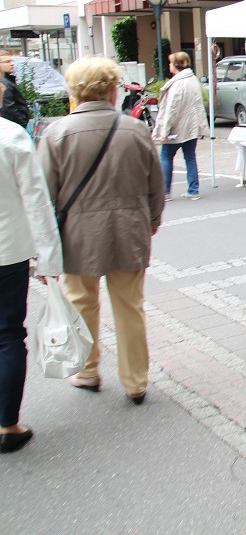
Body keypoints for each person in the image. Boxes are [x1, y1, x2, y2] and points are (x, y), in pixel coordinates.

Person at [37, 57, 166, 405]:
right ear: (112, 89)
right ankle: (136, 381)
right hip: (129, 229)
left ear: (75, 91)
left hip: (77, 235)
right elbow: (156, 185)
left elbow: (45, 196)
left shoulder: (56, 133)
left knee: (82, 304)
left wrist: (44, 245)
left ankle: (88, 371)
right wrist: (151, 221)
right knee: (129, 307)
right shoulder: (136, 130)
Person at [0, 116, 62, 453]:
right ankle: (8, 424)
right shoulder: (10, 136)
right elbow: (36, 201)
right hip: (7, 250)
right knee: (8, 335)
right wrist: (49, 258)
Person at [152, 51, 209, 201]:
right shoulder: (193, 80)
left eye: (171, 63)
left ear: (176, 65)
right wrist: (202, 127)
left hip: (176, 128)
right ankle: (193, 190)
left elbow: (171, 110)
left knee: (166, 155)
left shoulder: (177, 84)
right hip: (192, 126)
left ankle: (165, 192)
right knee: (190, 156)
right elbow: (199, 105)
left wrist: (165, 131)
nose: (169, 65)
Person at [0, 50, 30, 128]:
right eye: (7, 62)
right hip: (13, 127)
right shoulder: (4, 83)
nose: (12, 64)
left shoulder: (6, 81)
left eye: (12, 61)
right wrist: (22, 124)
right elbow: (8, 109)